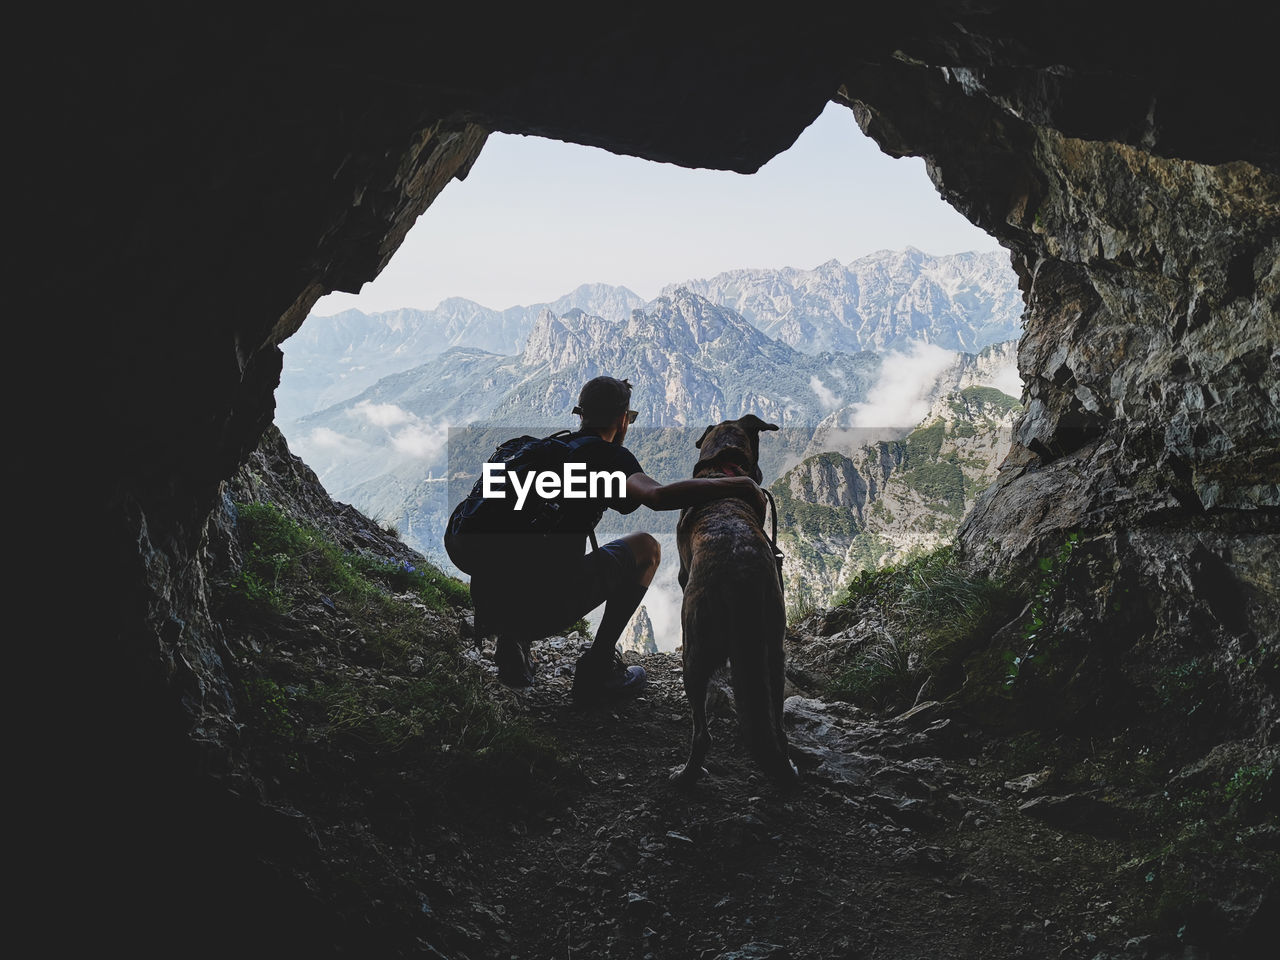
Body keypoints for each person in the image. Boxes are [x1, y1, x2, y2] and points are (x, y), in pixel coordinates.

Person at [467, 375, 767, 704]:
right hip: (541, 608)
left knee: (532, 556)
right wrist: (738, 485)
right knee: (647, 548)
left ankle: (511, 640)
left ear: (581, 414)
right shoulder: (608, 459)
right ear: (623, 419)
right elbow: (657, 495)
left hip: (488, 602)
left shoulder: (538, 449)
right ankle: (597, 670)